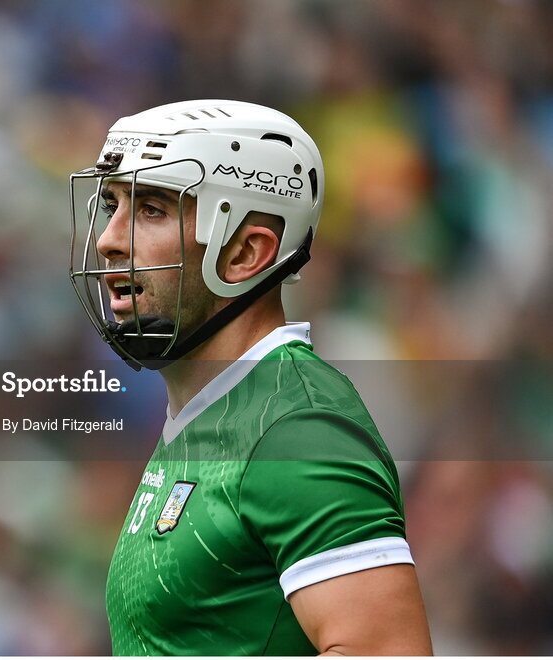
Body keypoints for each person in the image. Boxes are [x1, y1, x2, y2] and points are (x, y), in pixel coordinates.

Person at [67, 100, 432, 655]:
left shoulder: (297, 428)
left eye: (152, 211)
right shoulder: (215, 410)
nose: (109, 240)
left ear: (243, 253)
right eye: (113, 205)